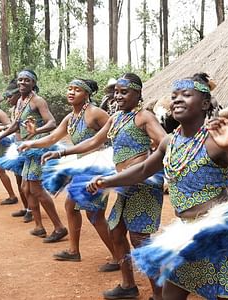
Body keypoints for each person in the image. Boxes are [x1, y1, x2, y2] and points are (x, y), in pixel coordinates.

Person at [87, 73, 228, 300]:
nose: (177, 100)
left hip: (220, 232)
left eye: (186, 95)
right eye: (174, 96)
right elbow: (144, 170)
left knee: (224, 295)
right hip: (186, 232)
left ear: (205, 104)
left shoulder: (216, 142)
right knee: (171, 293)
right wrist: (108, 181)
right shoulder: (169, 142)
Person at [42, 73, 167, 300]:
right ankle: (128, 286)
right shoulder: (117, 118)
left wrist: (156, 164)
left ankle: (160, 295)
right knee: (116, 232)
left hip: (143, 186)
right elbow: (93, 141)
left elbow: (165, 142)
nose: (118, 96)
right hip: (123, 185)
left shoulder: (144, 117)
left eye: (124, 92)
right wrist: (62, 151)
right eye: (116, 92)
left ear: (137, 94)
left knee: (139, 240)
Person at [18, 78, 119, 271]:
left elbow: (117, 132)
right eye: (70, 89)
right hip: (82, 168)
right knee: (70, 206)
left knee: (94, 214)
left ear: (87, 94)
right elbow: (53, 137)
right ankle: (74, 251)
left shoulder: (95, 113)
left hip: (96, 169)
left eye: (77, 90)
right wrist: (30, 141)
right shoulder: (71, 117)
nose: (71, 92)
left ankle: (118, 257)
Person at [0, 69, 67, 243]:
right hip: (25, 149)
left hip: (36, 149)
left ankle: (59, 227)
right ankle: (38, 226)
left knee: (36, 189)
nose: (22, 83)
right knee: (26, 188)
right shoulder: (20, 102)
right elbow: (15, 126)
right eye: (20, 80)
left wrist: (37, 131)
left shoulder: (37, 101)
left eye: (26, 80)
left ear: (33, 83)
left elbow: (52, 123)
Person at [0, 79, 33, 223]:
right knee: (19, 180)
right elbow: (15, 126)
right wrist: (4, 129)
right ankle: (25, 207)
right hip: (17, 146)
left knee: (28, 184)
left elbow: (26, 128)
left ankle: (31, 210)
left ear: (18, 94)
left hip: (28, 148)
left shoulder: (30, 106)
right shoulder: (16, 108)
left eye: (9, 97)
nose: (7, 100)